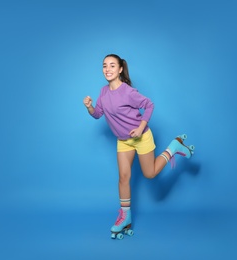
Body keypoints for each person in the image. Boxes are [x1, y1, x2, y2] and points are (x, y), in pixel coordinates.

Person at [83, 54, 194, 238]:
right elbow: (98, 114)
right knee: (123, 178)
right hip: (123, 141)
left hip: (141, 137)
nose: (107, 69)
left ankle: (174, 147)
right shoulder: (103, 92)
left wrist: (141, 127)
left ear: (120, 69)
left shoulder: (127, 91)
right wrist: (89, 107)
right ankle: (125, 217)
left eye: (112, 65)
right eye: (104, 66)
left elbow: (149, 105)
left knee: (150, 174)